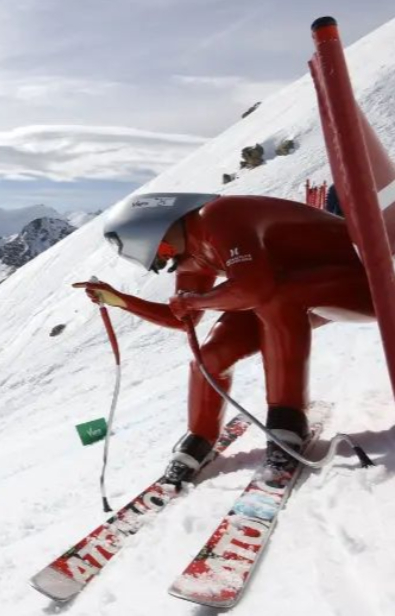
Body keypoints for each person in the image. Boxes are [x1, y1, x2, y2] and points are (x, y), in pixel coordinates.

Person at [74, 192, 374, 484]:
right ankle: (199, 437)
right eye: (162, 258)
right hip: (290, 292)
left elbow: (253, 289)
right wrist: (121, 300)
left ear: (164, 225)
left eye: (163, 250)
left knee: (275, 298)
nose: (168, 259)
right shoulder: (190, 253)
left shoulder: (219, 215)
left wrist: (193, 301)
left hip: (366, 278)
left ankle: (287, 422)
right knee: (212, 354)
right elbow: (182, 319)